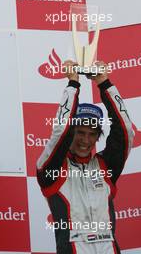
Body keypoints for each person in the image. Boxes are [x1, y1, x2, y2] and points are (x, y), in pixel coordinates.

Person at [36, 60, 134, 254]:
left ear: (98, 137)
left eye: (92, 134)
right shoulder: (51, 169)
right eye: (80, 132)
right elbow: (61, 130)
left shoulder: (106, 165)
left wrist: (104, 82)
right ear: (71, 134)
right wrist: (73, 84)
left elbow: (125, 130)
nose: (85, 140)